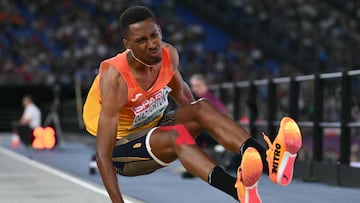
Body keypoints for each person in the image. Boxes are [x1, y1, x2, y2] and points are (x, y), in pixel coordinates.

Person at [82, 6, 302, 203]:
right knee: (176, 135)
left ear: (159, 30)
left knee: (203, 106)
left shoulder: (168, 55)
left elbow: (192, 108)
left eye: (154, 35)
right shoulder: (116, 79)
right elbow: (102, 154)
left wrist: (210, 136)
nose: (151, 45)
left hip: (154, 126)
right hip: (121, 148)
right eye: (141, 41)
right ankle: (236, 189)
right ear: (127, 45)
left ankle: (270, 160)